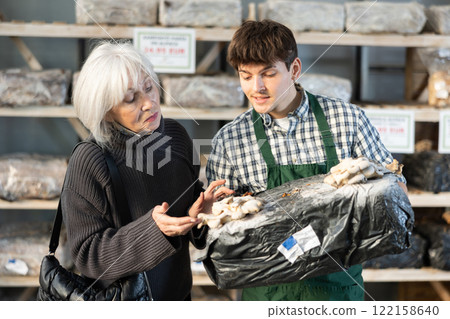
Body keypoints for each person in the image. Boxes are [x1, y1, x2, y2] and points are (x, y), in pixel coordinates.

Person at [206, 19, 408, 301]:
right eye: (246, 76)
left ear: (295, 69)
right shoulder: (230, 140)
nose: (257, 87)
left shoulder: (347, 120)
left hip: (337, 291)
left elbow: (397, 194)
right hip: (266, 295)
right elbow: (220, 234)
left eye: (268, 74)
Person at [66, 41, 233, 301]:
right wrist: (153, 231)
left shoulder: (176, 136)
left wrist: (203, 215)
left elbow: (188, 223)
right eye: (131, 99)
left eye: (149, 87)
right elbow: (88, 256)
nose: (149, 103)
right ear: (106, 112)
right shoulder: (91, 159)